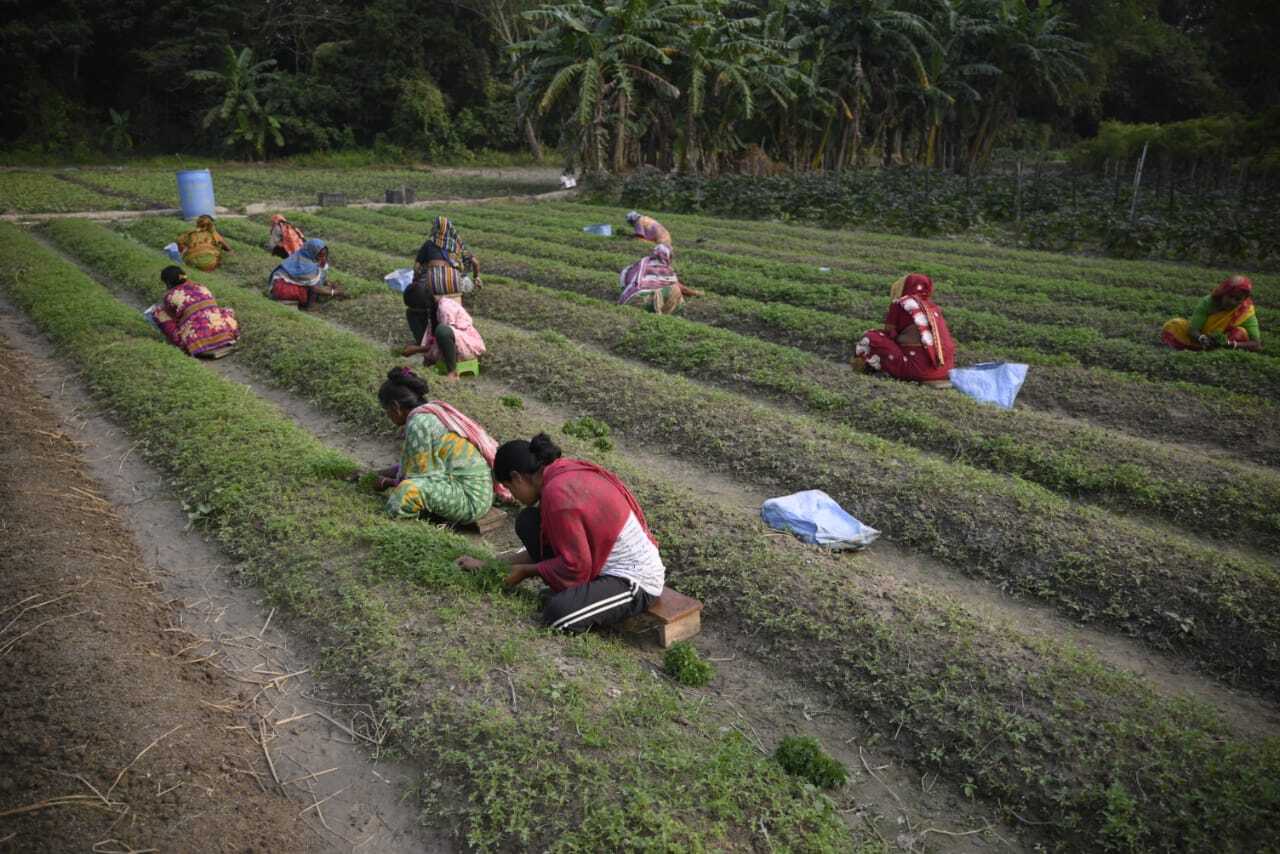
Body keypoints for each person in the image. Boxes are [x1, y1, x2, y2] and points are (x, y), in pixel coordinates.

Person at [457, 434, 664, 633]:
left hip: (634, 578)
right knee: (529, 521)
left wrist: (525, 571)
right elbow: (561, 547)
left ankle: (586, 599)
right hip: (596, 561)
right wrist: (493, 565)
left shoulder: (558, 495)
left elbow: (576, 567)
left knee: (559, 615)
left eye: (510, 488)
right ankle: (583, 594)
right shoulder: (558, 473)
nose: (513, 496)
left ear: (517, 477)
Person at [374, 368, 504, 523]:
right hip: (480, 494)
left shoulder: (418, 424)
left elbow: (419, 476)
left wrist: (387, 482)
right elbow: (412, 462)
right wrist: (378, 474)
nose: (387, 415)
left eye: (386, 410)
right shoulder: (432, 413)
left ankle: (400, 523)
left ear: (395, 407)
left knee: (407, 492)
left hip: (469, 500)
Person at [853, 273, 956, 384]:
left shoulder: (901, 303)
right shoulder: (933, 307)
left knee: (871, 337)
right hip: (944, 370)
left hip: (916, 370)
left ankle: (862, 370)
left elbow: (891, 334)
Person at [145, 266, 240, 358]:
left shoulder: (170, 296)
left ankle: (187, 341)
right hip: (224, 332)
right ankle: (222, 335)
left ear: (168, 283)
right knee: (224, 310)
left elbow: (173, 319)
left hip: (196, 341)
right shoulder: (201, 286)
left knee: (158, 313)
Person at [400, 285, 486, 382]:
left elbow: (445, 337)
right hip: (453, 345)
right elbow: (434, 338)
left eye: (417, 308)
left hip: (467, 347)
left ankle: (453, 373)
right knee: (411, 314)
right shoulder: (433, 308)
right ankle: (435, 362)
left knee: (442, 330)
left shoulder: (445, 308)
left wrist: (417, 349)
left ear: (424, 304)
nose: (417, 312)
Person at [1161, 275, 1262, 352]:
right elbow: (1193, 330)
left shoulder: (1245, 311)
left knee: (1240, 332)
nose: (1232, 301)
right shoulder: (1209, 302)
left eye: (1237, 299)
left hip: (1224, 344)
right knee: (1175, 325)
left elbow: (1256, 344)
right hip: (1199, 338)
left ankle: (1215, 351)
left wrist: (1232, 344)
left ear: (1243, 300)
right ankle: (1199, 348)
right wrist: (1202, 338)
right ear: (1223, 293)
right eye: (1230, 296)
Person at [618, 243, 702, 315]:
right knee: (675, 289)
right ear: (666, 256)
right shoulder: (664, 269)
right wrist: (697, 293)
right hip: (641, 302)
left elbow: (623, 283)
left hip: (626, 301)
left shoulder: (638, 265)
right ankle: (674, 312)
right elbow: (681, 288)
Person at [410, 216, 481, 298]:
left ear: (435, 229)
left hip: (432, 283)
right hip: (455, 282)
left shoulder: (429, 243)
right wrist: (476, 277)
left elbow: (416, 267)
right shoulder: (457, 245)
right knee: (466, 283)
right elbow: (476, 262)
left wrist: (415, 280)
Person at [267, 238, 343, 308]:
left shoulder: (300, 255)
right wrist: (333, 292)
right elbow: (315, 288)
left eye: (325, 255)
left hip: (277, 285)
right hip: (283, 290)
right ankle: (308, 307)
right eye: (320, 255)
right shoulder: (308, 266)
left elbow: (315, 278)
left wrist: (328, 283)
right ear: (313, 252)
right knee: (310, 290)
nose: (323, 258)